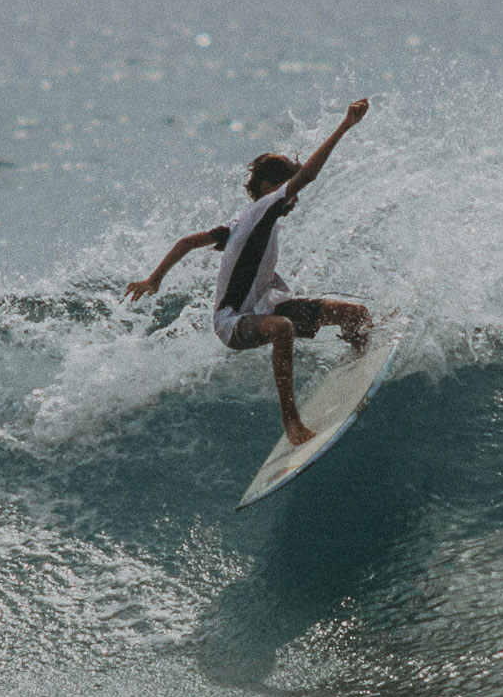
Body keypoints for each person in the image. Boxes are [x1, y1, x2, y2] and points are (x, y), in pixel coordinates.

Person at [126, 99, 373, 445]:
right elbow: (310, 175)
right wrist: (345, 125)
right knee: (283, 329)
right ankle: (292, 424)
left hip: (265, 307)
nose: (294, 200)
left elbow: (186, 242)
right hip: (232, 322)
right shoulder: (264, 206)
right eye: (289, 190)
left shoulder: (243, 220)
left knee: (356, 316)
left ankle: (356, 364)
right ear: (269, 188)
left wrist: (155, 279)